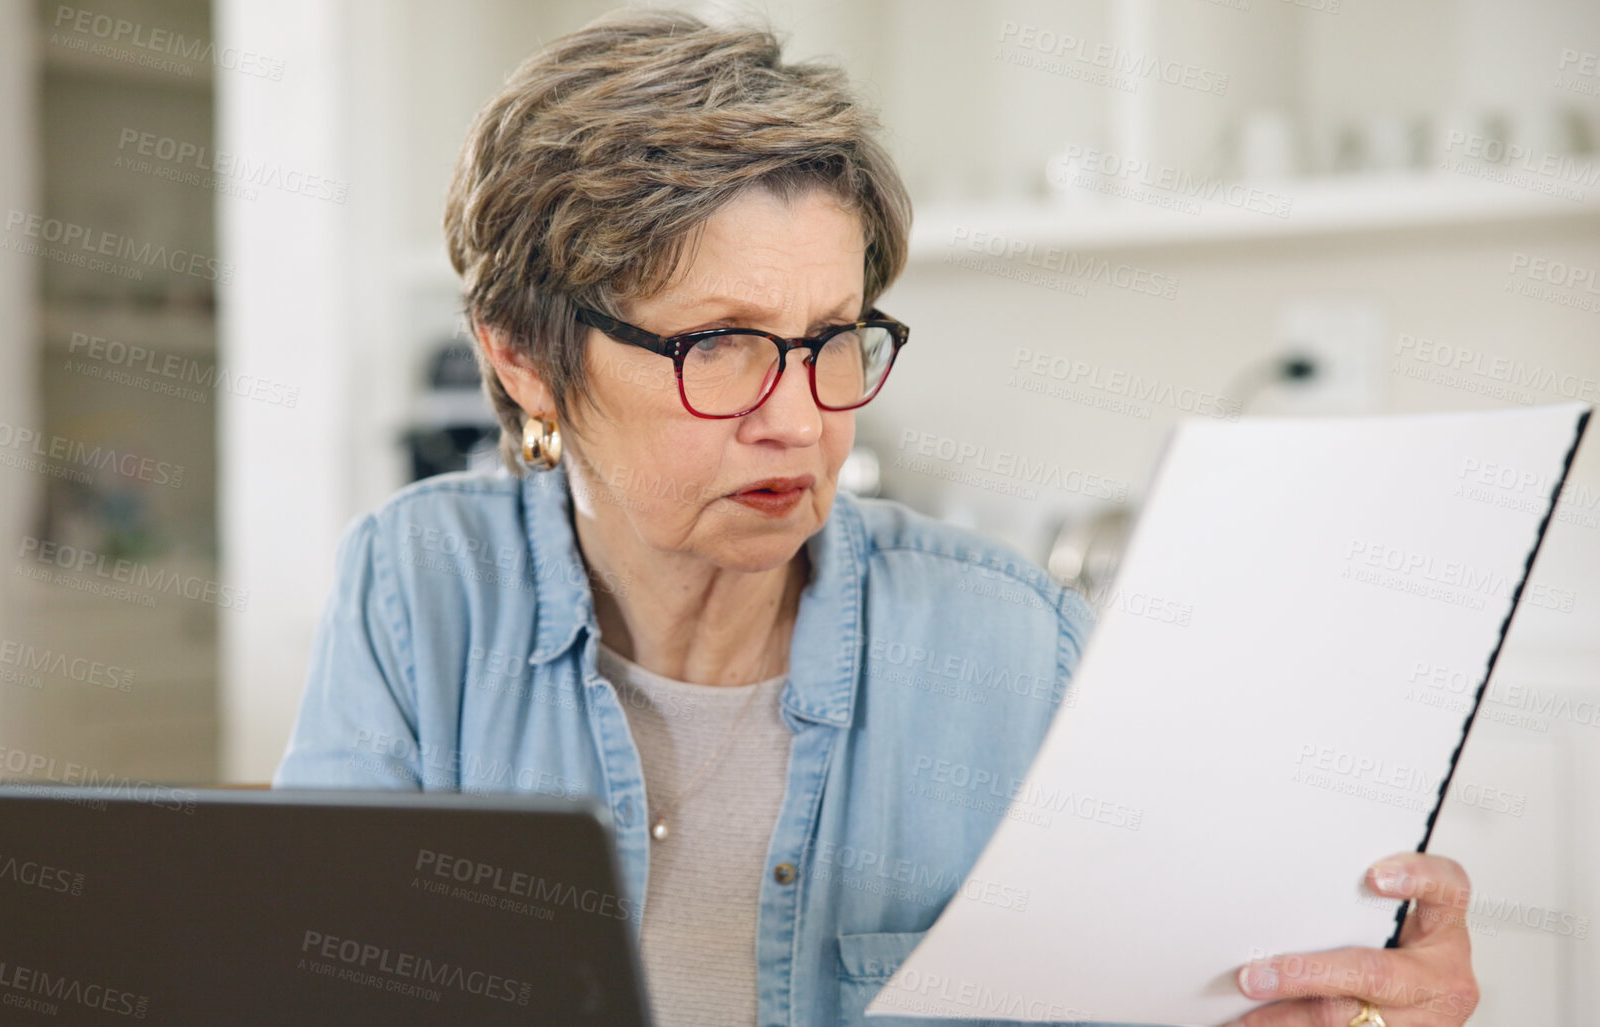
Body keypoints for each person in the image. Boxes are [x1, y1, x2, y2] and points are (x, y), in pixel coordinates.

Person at [273, 10, 1479, 1027]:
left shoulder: (1007, 644)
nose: (801, 421)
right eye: (723, 345)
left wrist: (1356, 1004)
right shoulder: (419, 588)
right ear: (527, 358)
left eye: (832, 341)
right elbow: (303, 981)